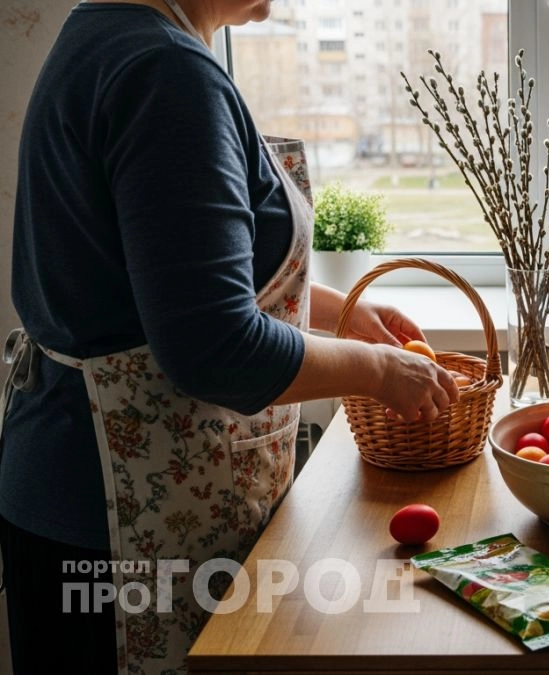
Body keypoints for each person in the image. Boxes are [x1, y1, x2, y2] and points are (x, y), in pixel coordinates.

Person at [0, 1, 460, 672]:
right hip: (115, 534)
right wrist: (378, 370)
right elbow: (215, 347)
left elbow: (176, 276)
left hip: (72, 499)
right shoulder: (165, 72)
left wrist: (337, 310)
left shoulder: (109, 30)